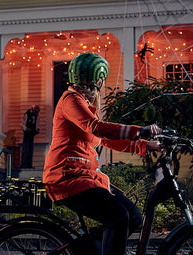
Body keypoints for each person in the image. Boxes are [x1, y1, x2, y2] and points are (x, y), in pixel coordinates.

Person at [43, 53, 161, 255]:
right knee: (117, 216)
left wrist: (145, 145)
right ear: (98, 79)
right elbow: (95, 128)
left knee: (134, 217)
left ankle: (89, 249)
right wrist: (138, 130)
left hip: (84, 178)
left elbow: (106, 140)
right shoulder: (71, 100)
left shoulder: (85, 104)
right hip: (66, 178)